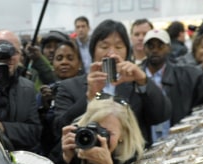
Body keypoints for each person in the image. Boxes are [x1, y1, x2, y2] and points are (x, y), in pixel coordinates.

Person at [53, 19, 171, 149]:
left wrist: (143, 81)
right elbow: (59, 128)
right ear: (93, 51)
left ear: (127, 52)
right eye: (104, 47)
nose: (111, 53)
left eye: (119, 47)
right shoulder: (69, 87)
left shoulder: (134, 83)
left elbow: (161, 115)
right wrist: (90, 96)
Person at [0, 30, 42, 153]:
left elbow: (35, 133)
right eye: (3, 51)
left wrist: (2, 127)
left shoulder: (27, 88)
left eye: (15, 52)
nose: (10, 57)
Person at [39, 40, 83, 154]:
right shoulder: (44, 93)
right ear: (52, 64)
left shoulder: (88, 90)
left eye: (70, 58)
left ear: (80, 63)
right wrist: (44, 109)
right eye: (59, 58)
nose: (64, 62)